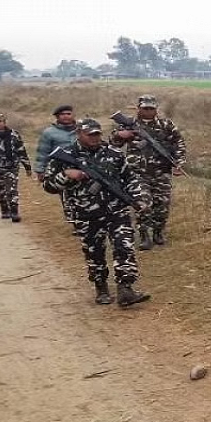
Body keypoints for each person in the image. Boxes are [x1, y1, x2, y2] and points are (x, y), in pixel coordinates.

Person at [42, 117, 151, 308]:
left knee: (124, 247)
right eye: (90, 134)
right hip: (85, 214)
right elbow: (49, 186)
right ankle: (101, 287)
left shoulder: (114, 154)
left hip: (116, 210)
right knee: (94, 253)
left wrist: (140, 198)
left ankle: (126, 289)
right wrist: (66, 176)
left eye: (97, 134)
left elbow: (130, 179)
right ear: (78, 134)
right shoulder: (66, 155)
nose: (94, 138)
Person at [110, 94, 187, 250]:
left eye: (151, 108)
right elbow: (113, 143)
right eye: (145, 108)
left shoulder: (166, 125)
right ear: (138, 108)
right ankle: (144, 235)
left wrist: (178, 163)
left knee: (162, 205)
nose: (148, 111)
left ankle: (158, 233)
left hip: (161, 172)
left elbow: (179, 143)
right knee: (143, 203)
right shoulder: (128, 124)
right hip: (137, 173)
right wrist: (120, 135)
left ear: (156, 109)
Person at [33, 104, 79, 226]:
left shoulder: (81, 129)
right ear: (57, 117)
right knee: (65, 194)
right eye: (62, 114)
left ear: (73, 115)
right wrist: (40, 170)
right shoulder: (49, 133)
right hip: (59, 169)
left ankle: (82, 220)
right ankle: (73, 220)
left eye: (68, 114)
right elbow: (43, 152)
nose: (65, 117)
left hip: (81, 167)